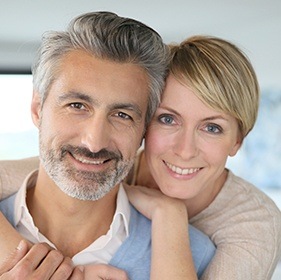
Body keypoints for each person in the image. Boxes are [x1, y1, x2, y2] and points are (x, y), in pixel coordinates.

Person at [0, 11, 215, 280]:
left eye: (122, 115)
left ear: (144, 131)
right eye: (77, 106)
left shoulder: (195, 255)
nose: (94, 142)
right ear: (37, 108)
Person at [124, 35, 281, 279]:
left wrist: (169, 214)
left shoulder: (255, 223)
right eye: (168, 119)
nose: (185, 150)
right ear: (145, 122)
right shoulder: (110, 167)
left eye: (212, 128)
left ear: (238, 140)